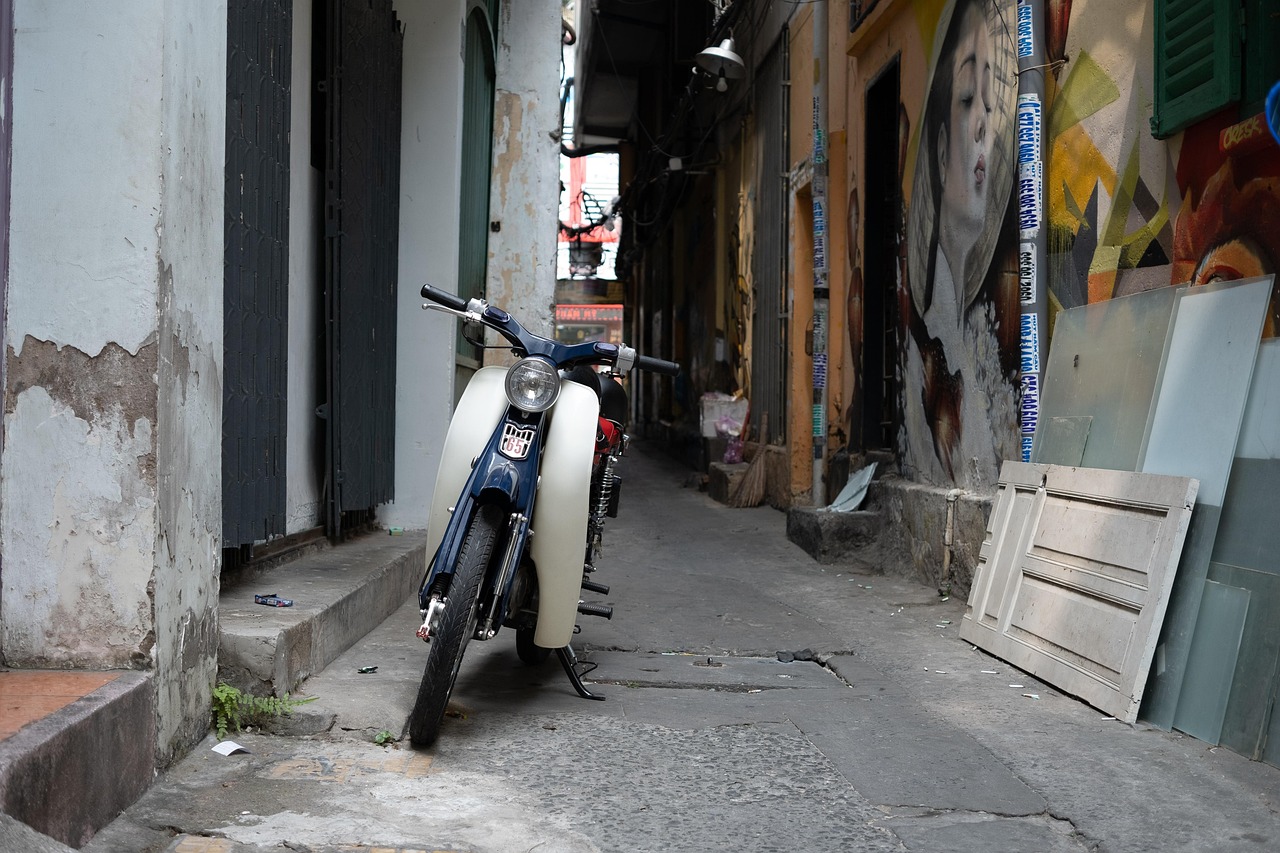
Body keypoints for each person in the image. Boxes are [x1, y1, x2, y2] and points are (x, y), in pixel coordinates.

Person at [901, 0, 1018, 488]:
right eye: (969, 98)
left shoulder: (982, 336)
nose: (984, 123)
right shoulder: (924, 350)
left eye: (991, 104)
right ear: (942, 148)